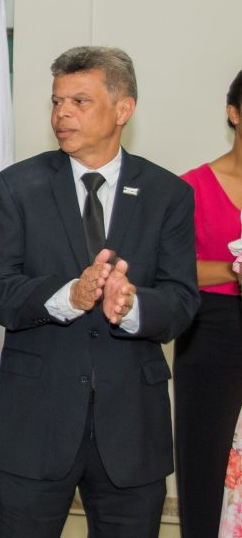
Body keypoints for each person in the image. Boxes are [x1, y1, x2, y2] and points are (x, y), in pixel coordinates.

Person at [0, 46, 199, 536]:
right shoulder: (17, 186)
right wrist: (68, 297)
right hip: (33, 424)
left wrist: (133, 305)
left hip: (132, 430)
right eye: (57, 101)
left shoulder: (168, 195)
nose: (62, 114)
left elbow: (183, 301)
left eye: (79, 101)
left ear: (123, 109)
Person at [177, 69, 242, 537]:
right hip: (213, 331)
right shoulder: (192, 187)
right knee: (206, 456)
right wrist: (235, 270)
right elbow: (173, 268)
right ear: (233, 113)